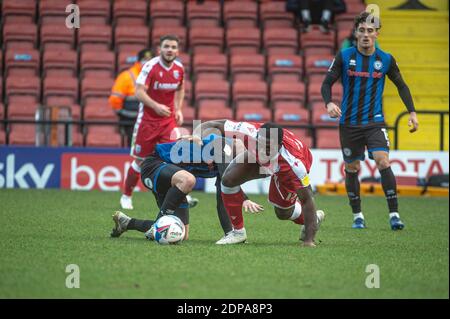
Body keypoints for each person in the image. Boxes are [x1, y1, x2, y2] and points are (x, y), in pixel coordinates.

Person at [320, 11, 419, 230]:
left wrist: (412, 112)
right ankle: (358, 216)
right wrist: (329, 103)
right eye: (362, 30)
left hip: (374, 122)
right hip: (349, 123)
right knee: (352, 168)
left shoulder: (385, 59)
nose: (366, 35)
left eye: (370, 31)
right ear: (356, 33)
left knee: (383, 160)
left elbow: (401, 85)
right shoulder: (345, 56)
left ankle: (394, 215)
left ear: (376, 34)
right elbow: (326, 84)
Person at [193, 120, 326, 247]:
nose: (262, 151)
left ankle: (313, 219)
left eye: (268, 148)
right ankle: (238, 232)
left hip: (284, 168)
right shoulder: (248, 131)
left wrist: (309, 240)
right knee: (228, 180)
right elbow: (213, 124)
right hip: (265, 159)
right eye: (259, 144)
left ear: (279, 146)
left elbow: (307, 199)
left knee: (283, 213)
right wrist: (196, 136)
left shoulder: (295, 166)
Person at [111, 134, 264, 242]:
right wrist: (244, 199)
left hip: (174, 181)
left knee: (179, 233)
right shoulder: (220, 144)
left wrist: (231, 234)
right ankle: (157, 223)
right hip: (154, 165)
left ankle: (127, 223)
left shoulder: (226, 166)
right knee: (188, 179)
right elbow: (202, 137)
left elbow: (223, 200)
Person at [120, 34, 188, 211]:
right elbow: (139, 92)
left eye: (173, 47)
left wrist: (178, 108)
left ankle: (178, 193)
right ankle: (126, 195)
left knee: (172, 158)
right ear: (160, 49)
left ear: (177, 50)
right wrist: (156, 106)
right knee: (141, 160)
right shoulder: (150, 66)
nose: (170, 50)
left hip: (168, 121)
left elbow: (181, 89)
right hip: (148, 122)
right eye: (166, 46)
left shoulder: (179, 68)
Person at [109, 48, 153, 146]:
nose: (147, 62)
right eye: (145, 59)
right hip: (130, 119)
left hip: (149, 119)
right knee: (133, 145)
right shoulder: (126, 76)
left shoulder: (156, 75)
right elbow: (115, 99)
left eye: (150, 60)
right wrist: (122, 113)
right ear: (138, 60)